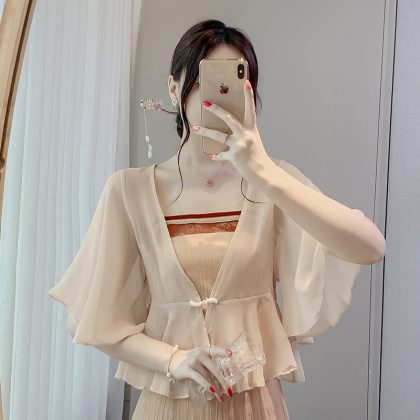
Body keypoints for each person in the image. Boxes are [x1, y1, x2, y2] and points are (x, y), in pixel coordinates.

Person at [48, 19, 386, 420]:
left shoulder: (274, 183)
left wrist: (265, 174)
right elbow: (95, 322)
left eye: (237, 81)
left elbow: (370, 246)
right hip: (167, 406)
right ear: (173, 89)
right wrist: (174, 359)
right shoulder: (130, 191)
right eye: (204, 81)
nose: (219, 97)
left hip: (255, 406)